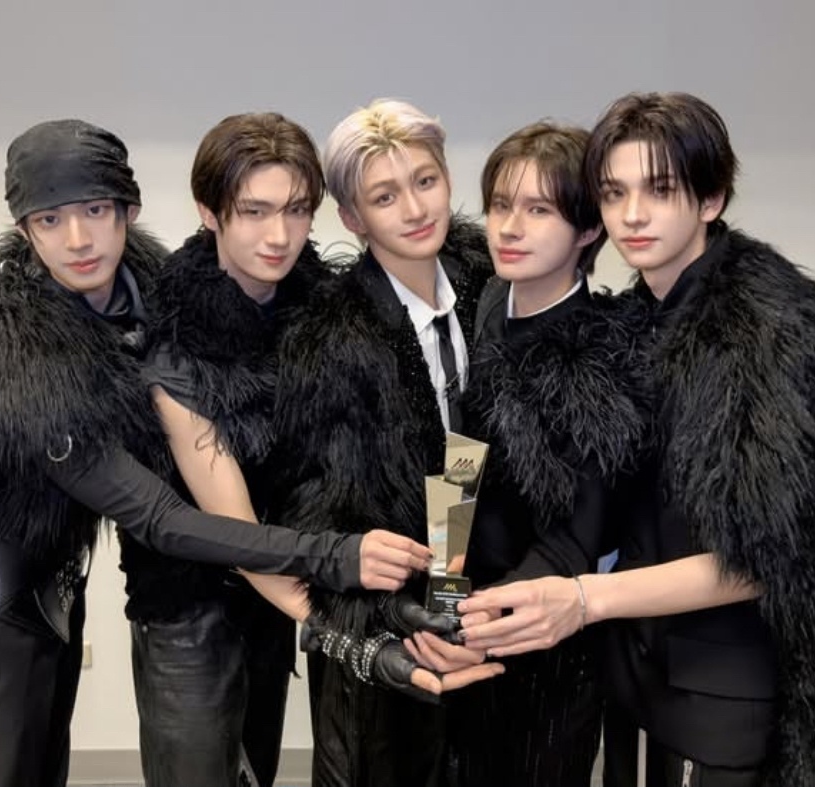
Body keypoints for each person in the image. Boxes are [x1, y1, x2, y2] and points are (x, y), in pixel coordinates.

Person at [0, 118, 432, 787]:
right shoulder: (32, 355)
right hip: (16, 588)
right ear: (25, 230)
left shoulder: (157, 296)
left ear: (128, 210)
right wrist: (335, 583)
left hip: (68, 579)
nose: (78, 238)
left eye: (96, 210)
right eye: (50, 219)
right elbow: (160, 517)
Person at [460, 92, 815, 786]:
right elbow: (582, 512)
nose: (632, 215)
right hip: (634, 675)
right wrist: (467, 606)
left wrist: (586, 599)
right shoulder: (628, 321)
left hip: (726, 690)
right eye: (614, 192)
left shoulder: (767, 332)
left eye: (659, 190)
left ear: (710, 198)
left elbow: (768, 556)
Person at [266, 99, 497, 787]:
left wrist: (455, 595)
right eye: (385, 196)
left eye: (425, 181)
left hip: (479, 589)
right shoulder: (326, 336)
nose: (415, 209)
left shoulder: (490, 286)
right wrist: (400, 611)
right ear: (352, 218)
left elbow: (466, 462)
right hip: (378, 615)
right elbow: (313, 512)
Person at [408, 121, 642, 787]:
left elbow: (577, 538)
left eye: (539, 210)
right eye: (501, 205)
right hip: (466, 614)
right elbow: (459, 462)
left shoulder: (600, 354)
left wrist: (477, 623)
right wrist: (443, 595)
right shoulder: (485, 303)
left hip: (546, 639)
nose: (509, 227)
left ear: (588, 229)